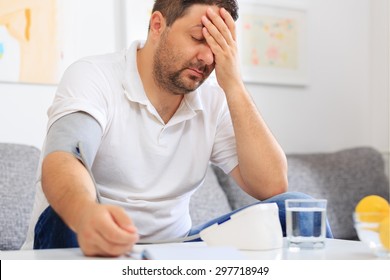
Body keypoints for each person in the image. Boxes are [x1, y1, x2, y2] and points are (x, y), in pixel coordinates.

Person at [23, 0, 332, 257]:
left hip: (173, 251)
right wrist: (86, 215)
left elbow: (273, 186)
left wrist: (234, 85)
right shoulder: (94, 75)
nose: (209, 57)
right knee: (63, 219)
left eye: (218, 45)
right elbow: (65, 157)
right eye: (199, 38)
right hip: (81, 235)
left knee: (299, 209)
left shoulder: (214, 99)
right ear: (158, 25)